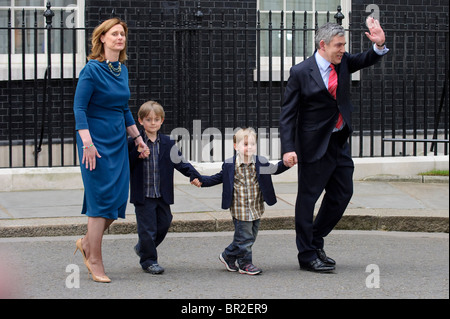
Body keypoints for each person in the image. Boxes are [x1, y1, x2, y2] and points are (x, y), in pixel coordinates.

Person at [280, 17, 389, 273]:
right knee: (308, 199)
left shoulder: (342, 63)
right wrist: (288, 147)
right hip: (312, 146)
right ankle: (306, 255)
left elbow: (366, 59)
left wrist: (379, 44)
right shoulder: (300, 72)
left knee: (342, 194)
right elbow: (287, 114)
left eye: (344, 45)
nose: (343, 50)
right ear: (322, 45)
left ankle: (315, 241)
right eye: (338, 45)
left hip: (339, 142)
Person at [73, 18, 149, 283]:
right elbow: (79, 109)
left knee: (116, 202)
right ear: (102, 38)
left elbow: (123, 109)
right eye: (114, 33)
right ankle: (94, 260)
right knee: (100, 203)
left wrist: (138, 139)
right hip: (94, 145)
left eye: (123, 34)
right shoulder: (91, 70)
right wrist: (87, 144)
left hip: (117, 143)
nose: (120, 38)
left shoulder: (122, 70)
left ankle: (86, 242)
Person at [196, 128, 289, 275]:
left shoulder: (260, 163)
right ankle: (245, 264)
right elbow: (216, 178)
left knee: (249, 237)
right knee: (245, 239)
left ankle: (227, 255)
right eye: (245, 144)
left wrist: (287, 163)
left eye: (252, 144)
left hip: (256, 207)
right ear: (236, 146)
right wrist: (201, 181)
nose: (249, 147)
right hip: (240, 209)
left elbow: (275, 169)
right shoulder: (230, 165)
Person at [128, 100, 202, 274]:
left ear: (162, 121)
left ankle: (143, 248)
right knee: (147, 229)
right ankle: (149, 261)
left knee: (164, 222)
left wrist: (194, 175)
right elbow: (125, 164)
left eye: (156, 119)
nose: (152, 123)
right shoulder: (134, 142)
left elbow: (181, 162)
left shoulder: (168, 143)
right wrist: (137, 155)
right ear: (140, 121)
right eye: (148, 119)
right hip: (143, 194)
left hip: (162, 194)